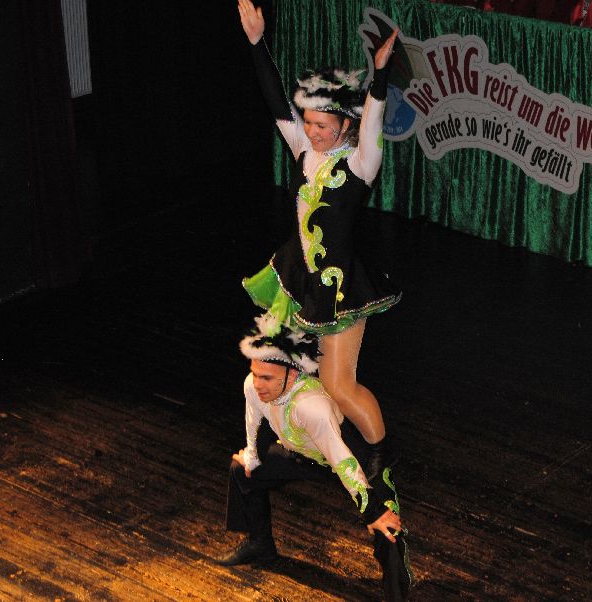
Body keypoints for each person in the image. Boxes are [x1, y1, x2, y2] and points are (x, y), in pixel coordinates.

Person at [237, 0, 401, 477]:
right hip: (302, 280)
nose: (311, 131)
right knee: (303, 370)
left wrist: (381, 75)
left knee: (339, 384)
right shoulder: (304, 151)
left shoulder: (361, 163)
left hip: (343, 286)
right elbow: (275, 102)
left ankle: (382, 449)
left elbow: (374, 119)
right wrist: (256, 43)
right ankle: (306, 441)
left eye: (322, 125)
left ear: (345, 125)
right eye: (307, 122)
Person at [217, 313, 413, 601]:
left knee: (386, 524)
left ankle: (396, 593)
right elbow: (254, 423)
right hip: (303, 455)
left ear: (292, 374)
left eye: (267, 378)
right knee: (241, 469)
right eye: (255, 373)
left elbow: (342, 460)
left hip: (350, 462)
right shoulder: (252, 386)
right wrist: (252, 458)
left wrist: (371, 511)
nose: (258, 384)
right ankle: (260, 545)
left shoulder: (311, 407)